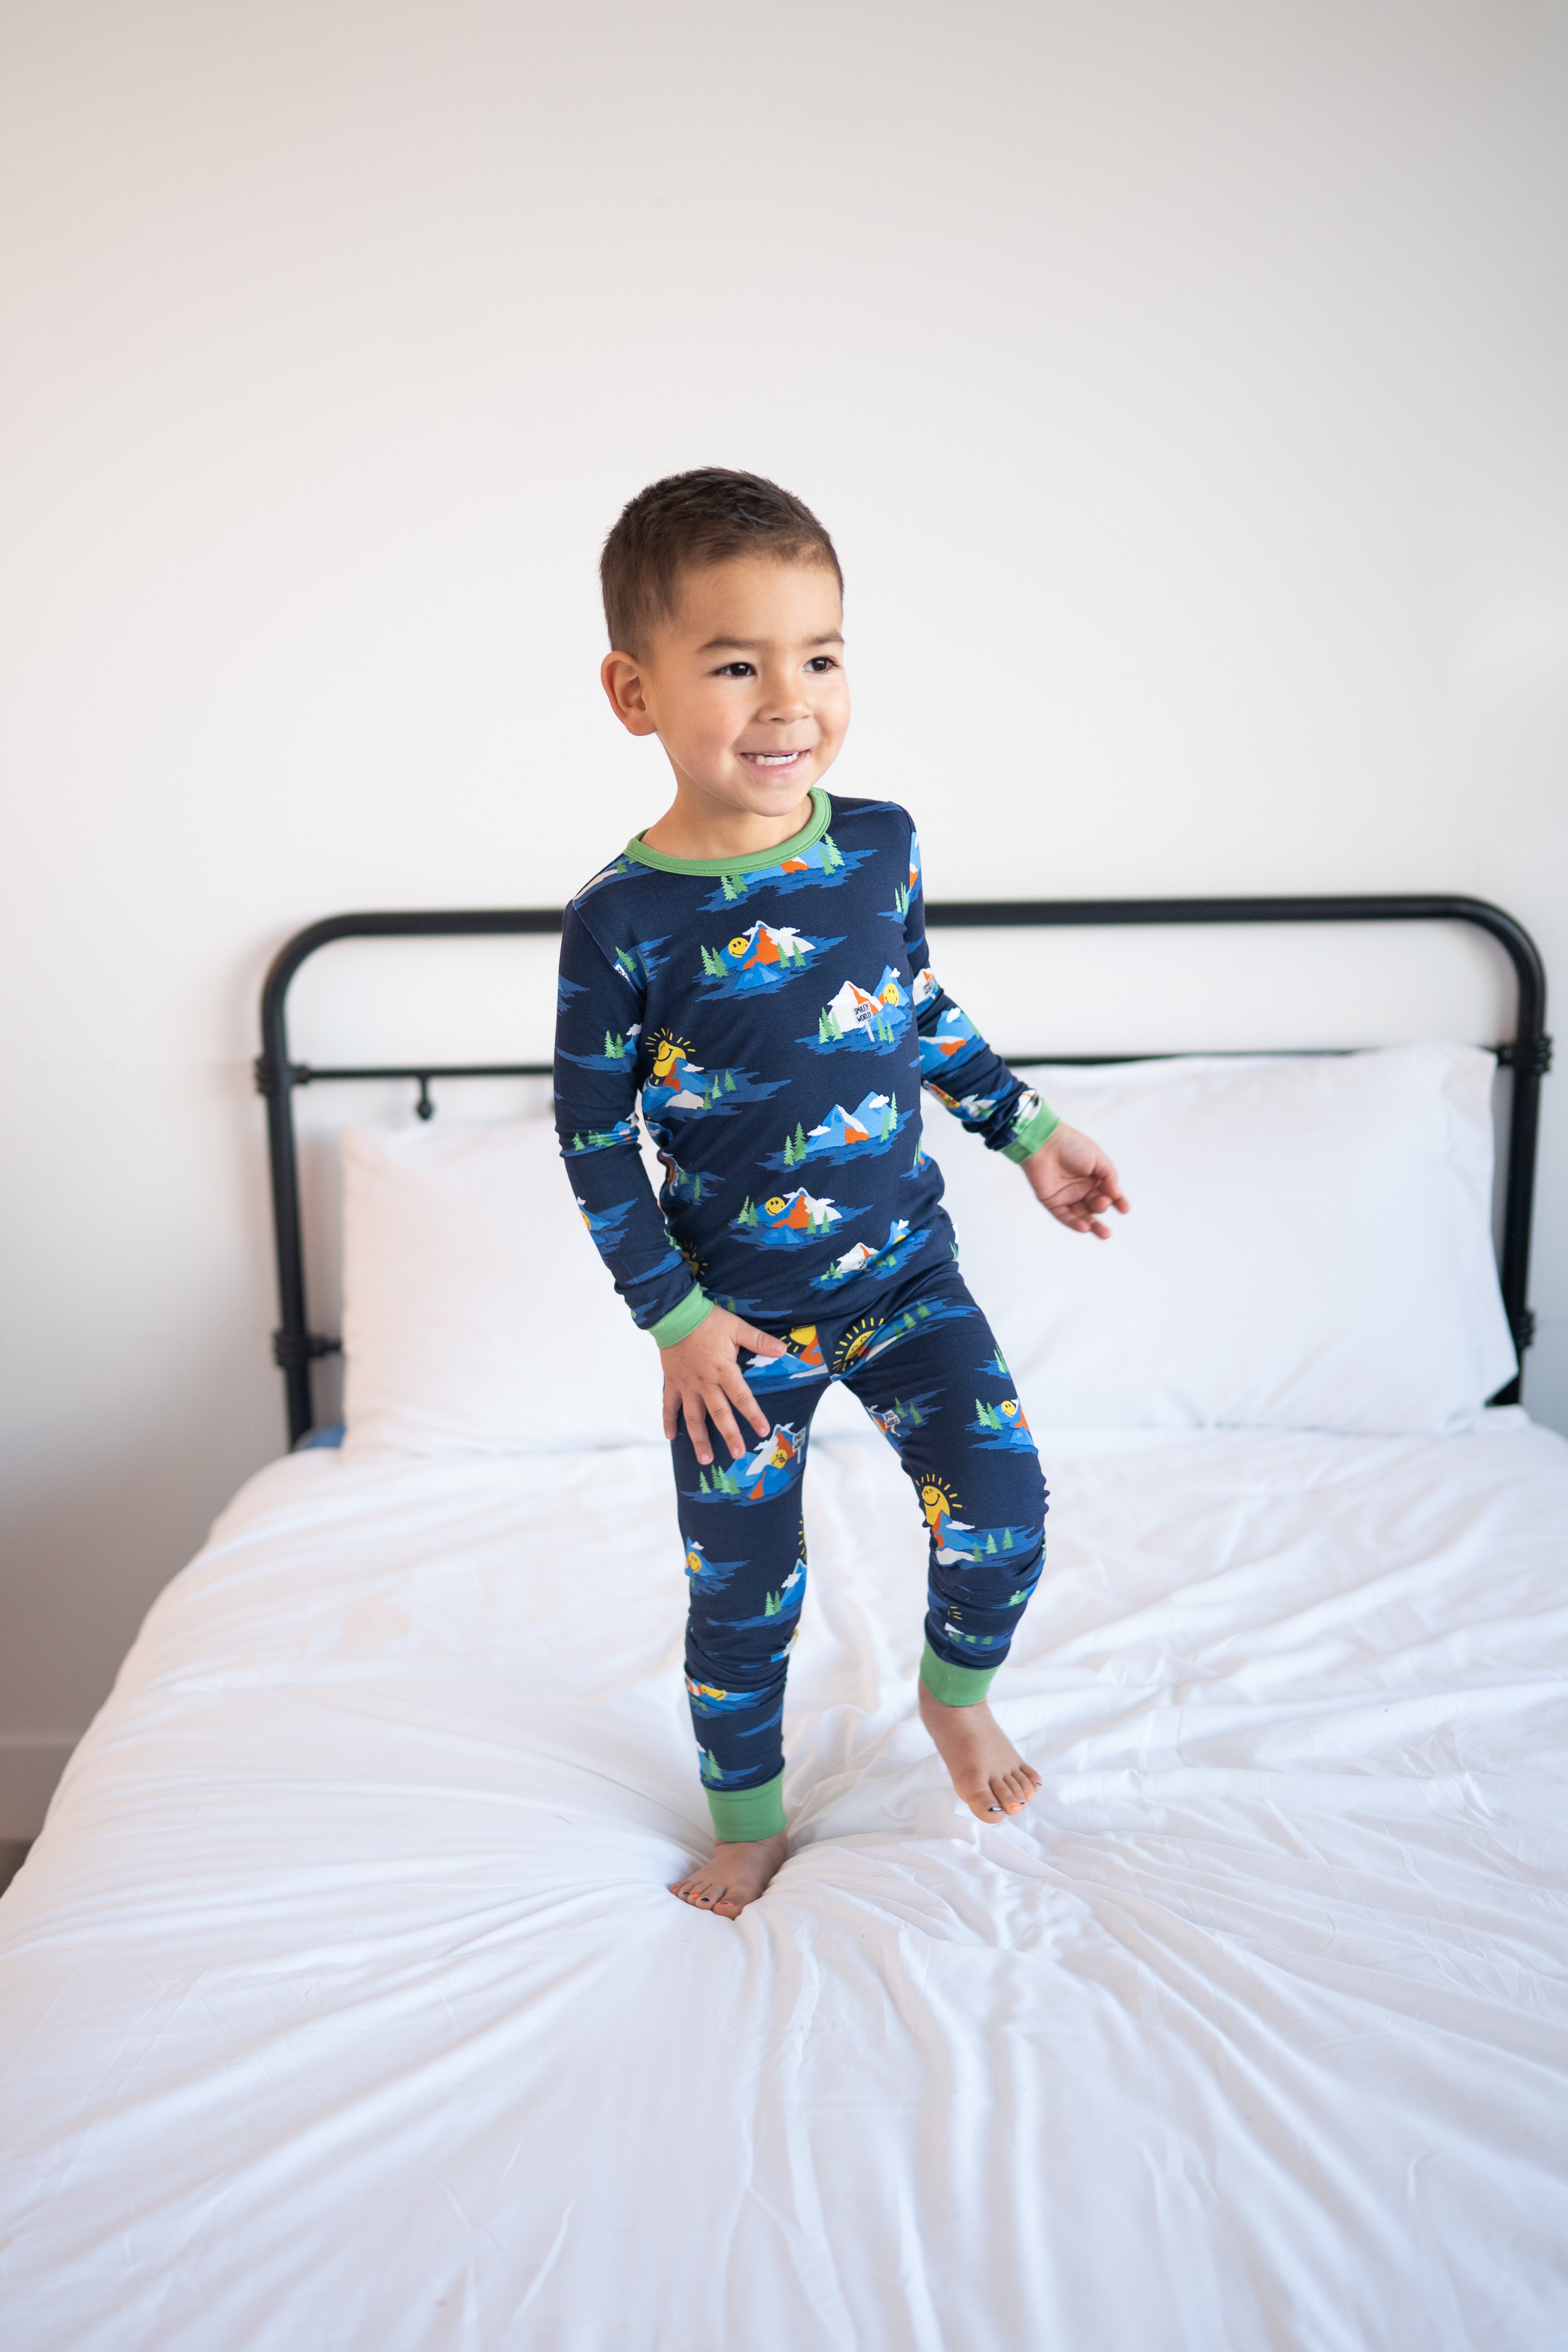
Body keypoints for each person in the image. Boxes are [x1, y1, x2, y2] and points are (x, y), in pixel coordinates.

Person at [554, 468, 1129, 1919]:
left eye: (818, 655)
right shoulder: (620, 920)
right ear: (634, 691)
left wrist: (1028, 1128)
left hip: (903, 1284)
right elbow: (590, 1138)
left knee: (1002, 1501)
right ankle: (745, 1821)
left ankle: (955, 1696)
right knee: (744, 1594)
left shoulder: (879, 845)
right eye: (735, 663)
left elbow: (910, 1005)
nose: (787, 698)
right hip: (732, 1330)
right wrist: (672, 1317)